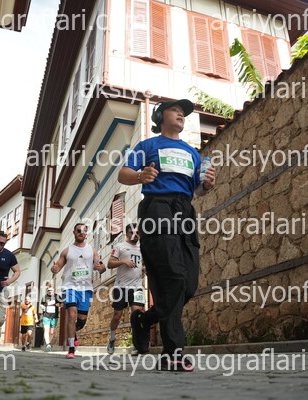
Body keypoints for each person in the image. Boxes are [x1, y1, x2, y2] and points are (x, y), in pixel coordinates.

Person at [117, 99, 216, 372]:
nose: (181, 114)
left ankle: (145, 320)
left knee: (188, 284)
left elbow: (196, 190)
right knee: (173, 277)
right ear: (160, 115)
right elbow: (123, 174)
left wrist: (206, 185)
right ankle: (173, 353)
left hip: (185, 211)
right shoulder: (147, 146)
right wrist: (141, 176)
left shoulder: (193, 153)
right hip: (157, 208)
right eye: (175, 110)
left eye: (183, 112)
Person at [51, 223, 106, 359]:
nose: (81, 232)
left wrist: (101, 267)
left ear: (86, 234)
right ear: (74, 232)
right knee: (71, 313)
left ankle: (73, 332)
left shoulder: (91, 250)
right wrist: (54, 269)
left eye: (84, 231)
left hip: (85, 289)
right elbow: (57, 266)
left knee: (81, 322)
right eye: (79, 230)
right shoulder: (67, 251)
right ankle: (71, 348)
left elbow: (100, 266)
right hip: (69, 286)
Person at [106, 223, 145, 354]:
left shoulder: (142, 249)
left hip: (137, 287)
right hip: (121, 286)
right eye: (132, 232)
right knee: (117, 315)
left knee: (136, 315)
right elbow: (109, 264)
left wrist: (144, 269)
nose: (135, 235)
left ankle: (136, 344)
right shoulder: (120, 246)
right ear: (127, 234)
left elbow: (142, 265)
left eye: (137, 232)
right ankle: (112, 338)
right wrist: (123, 261)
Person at [40, 284, 60, 351]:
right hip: (46, 316)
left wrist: (59, 305)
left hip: (54, 316)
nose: (50, 291)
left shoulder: (57, 296)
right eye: (49, 290)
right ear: (47, 291)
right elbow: (41, 304)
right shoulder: (44, 297)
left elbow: (62, 304)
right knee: (46, 330)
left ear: (54, 290)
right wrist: (42, 307)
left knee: (51, 332)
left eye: (51, 290)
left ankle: (48, 343)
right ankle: (48, 344)